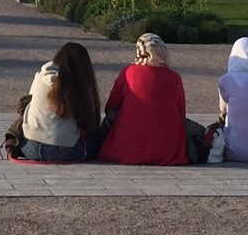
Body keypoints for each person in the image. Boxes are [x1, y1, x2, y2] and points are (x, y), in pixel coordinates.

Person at [98, 33, 189, 166]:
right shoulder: (174, 77)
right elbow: (181, 111)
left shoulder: (128, 72)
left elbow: (112, 104)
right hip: (168, 150)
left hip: (129, 147)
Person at [18, 41, 101, 163]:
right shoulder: (78, 83)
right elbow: (88, 123)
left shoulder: (41, 75)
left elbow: (27, 103)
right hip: (66, 151)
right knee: (99, 140)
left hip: (31, 148)